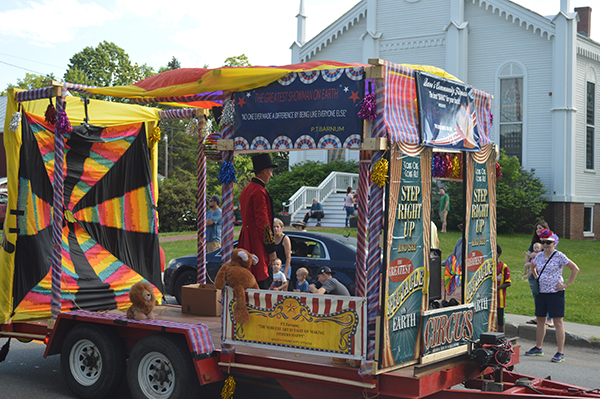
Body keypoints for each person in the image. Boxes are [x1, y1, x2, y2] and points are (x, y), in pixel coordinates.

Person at [524, 229, 579, 363]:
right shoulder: (539, 256)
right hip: (541, 293)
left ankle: (560, 352)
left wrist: (566, 284)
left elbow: (575, 268)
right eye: (544, 242)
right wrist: (535, 275)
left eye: (548, 242)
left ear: (554, 243)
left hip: (555, 293)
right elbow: (532, 266)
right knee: (540, 320)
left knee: (557, 322)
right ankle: (538, 347)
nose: (546, 245)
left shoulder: (559, 256)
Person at [238, 153, 278, 289]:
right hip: (256, 243)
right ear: (265, 171)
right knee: (261, 279)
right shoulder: (259, 191)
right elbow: (264, 224)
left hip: (246, 239)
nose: (271, 176)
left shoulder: (246, 189)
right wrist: (271, 250)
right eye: (270, 172)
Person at [524, 221, 559, 327]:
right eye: (537, 228)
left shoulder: (550, 241)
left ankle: (550, 319)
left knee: (548, 297)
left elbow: (549, 255)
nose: (538, 230)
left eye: (541, 228)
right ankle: (539, 317)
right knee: (537, 296)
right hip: (533, 273)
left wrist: (532, 255)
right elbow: (530, 255)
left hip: (545, 274)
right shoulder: (534, 242)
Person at [496, 245, 511, 333]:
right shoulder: (488, 266)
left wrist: (496, 288)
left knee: (500, 320)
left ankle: (501, 337)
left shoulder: (504, 267)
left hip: (499, 299)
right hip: (489, 298)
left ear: (499, 254)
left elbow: (508, 283)